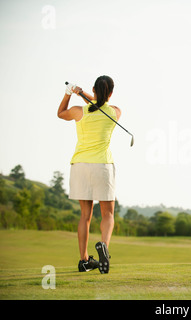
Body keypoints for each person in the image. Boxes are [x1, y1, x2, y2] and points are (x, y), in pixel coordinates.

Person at [57, 75, 121, 274]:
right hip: (102, 165)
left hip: (81, 166)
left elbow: (60, 113)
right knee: (108, 214)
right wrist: (83, 93)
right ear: (111, 93)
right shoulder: (115, 112)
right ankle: (103, 245)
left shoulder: (79, 111)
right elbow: (99, 104)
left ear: (93, 90)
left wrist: (70, 94)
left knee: (85, 215)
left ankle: (84, 260)